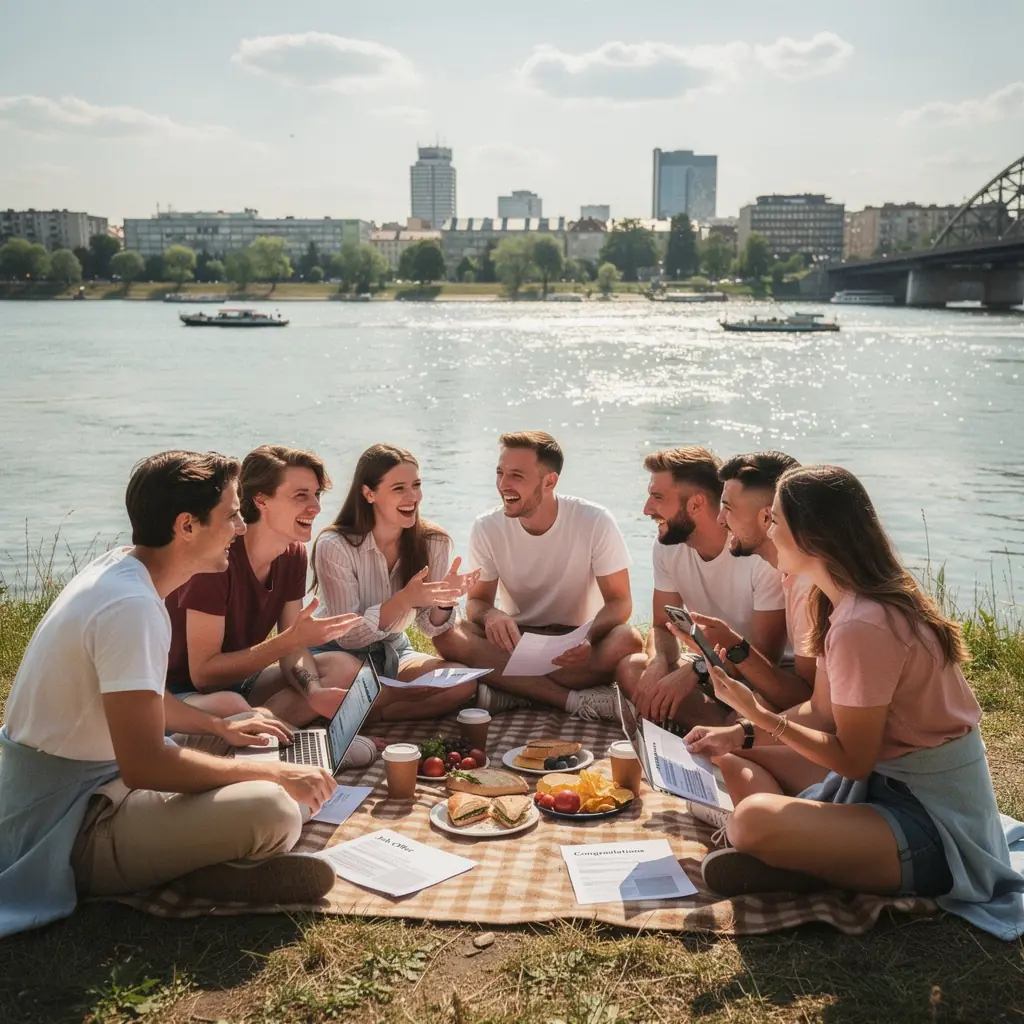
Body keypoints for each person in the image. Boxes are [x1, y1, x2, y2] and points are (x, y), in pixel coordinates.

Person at [0, 451, 340, 939]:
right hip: (68, 826)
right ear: (186, 525)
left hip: (96, 785)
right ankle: (197, 871)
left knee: (239, 741)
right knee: (275, 808)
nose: (241, 529)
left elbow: (139, 698)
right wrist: (274, 773)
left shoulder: (125, 571)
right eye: (231, 516)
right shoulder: (130, 607)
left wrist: (217, 727)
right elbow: (145, 765)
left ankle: (197, 862)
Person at [687, 465, 1024, 940]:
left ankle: (807, 864)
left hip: (934, 823)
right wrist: (741, 732)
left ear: (812, 538)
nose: (768, 530)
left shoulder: (863, 624)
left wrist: (760, 715)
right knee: (735, 760)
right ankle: (816, 857)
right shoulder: (838, 603)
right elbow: (823, 712)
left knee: (751, 819)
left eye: (776, 520)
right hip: (888, 783)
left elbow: (852, 758)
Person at [434, 431, 642, 721]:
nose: (503, 485)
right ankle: (569, 700)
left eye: (516, 475)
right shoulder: (487, 527)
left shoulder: (594, 521)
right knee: (449, 636)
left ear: (550, 481)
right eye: (500, 473)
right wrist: (492, 616)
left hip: (574, 645)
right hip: (514, 643)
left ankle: (512, 691)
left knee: (627, 638)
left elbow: (620, 602)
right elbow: (477, 603)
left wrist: (588, 638)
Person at [165, 445, 367, 732]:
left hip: (238, 683)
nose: (316, 507)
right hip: (180, 696)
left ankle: (265, 730)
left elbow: (292, 650)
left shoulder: (293, 554)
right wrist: (287, 642)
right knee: (230, 705)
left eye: (316, 494)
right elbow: (204, 676)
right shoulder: (217, 560)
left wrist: (313, 692)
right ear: (260, 500)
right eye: (301, 496)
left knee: (342, 668)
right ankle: (273, 734)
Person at [617, 446, 787, 728]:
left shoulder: (756, 553)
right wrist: (658, 660)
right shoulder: (667, 547)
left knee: (745, 717)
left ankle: (728, 732)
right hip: (712, 668)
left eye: (657, 498)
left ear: (696, 504)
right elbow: (662, 626)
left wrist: (697, 671)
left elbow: (763, 657)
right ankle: (725, 733)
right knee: (633, 668)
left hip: (765, 678)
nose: (647, 509)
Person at [311, 443, 480, 721]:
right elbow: (349, 636)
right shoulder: (335, 545)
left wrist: (445, 600)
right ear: (369, 494)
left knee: (461, 683)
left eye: (416, 485)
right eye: (399, 488)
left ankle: (372, 713)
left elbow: (429, 627)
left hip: (394, 651)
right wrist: (404, 600)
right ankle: (372, 705)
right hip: (336, 653)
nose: (413, 497)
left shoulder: (434, 542)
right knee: (349, 679)